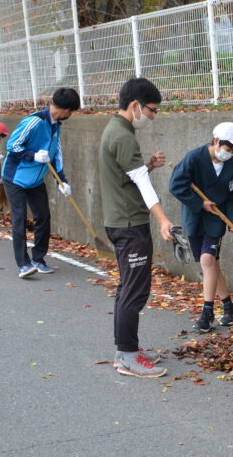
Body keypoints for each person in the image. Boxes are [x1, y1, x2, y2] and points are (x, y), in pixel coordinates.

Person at [99, 78, 175, 379]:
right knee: (134, 291)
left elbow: (128, 174)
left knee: (126, 289)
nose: (152, 117)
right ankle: (128, 357)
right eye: (152, 111)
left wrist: (150, 165)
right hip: (130, 224)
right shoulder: (123, 136)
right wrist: (163, 219)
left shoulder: (118, 129)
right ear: (135, 106)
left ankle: (125, 349)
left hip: (121, 220)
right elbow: (140, 183)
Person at [170, 122, 233, 333]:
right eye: (228, 149)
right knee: (211, 265)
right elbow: (176, 186)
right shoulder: (194, 158)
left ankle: (207, 313)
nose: (229, 154)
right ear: (216, 142)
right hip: (194, 218)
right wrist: (200, 204)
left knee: (207, 260)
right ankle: (230, 307)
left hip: (216, 220)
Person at [3, 88, 79, 278]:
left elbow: (55, 155)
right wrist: (33, 155)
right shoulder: (34, 121)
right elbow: (12, 146)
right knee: (19, 220)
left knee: (43, 217)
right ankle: (24, 264)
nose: (71, 115)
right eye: (71, 111)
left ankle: (38, 258)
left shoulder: (56, 125)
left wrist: (62, 181)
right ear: (65, 109)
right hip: (16, 179)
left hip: (36, 181)